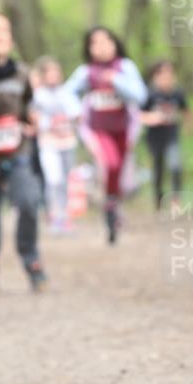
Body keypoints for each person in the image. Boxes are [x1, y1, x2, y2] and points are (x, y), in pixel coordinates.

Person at [0, 12, 47, 292]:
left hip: (17, 153)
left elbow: (28, 106)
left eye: (3, 30)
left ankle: (32, 262)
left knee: (28, 203)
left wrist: (30, 119)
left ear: (11, 40)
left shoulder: (23, 73)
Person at [65, 26, 147, 244]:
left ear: (114, 44)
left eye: (106, 41)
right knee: (110, 163)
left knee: (119, 172)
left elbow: (140, 96)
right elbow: (67, 92)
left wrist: (116, 80)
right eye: (95, 43)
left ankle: (112, 206)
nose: (101, 47)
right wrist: (75, 111)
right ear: (89, 48)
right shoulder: (86, 71)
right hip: (98, 129)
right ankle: (109, 206)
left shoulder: (125, 67)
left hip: (123, 129)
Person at [32, 56, 81, 232]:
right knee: (53, 180)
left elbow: (77, 115)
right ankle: (54, 215)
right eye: (49, 72)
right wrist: (49, 124)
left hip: (67, 142)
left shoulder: (67, 93)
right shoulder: (38, 95)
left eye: (55, 72)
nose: (53, 76)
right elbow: (34, 118)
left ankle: (65, 216)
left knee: (66, 180)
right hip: (48, 143)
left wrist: (69, 122)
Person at [140, 60, 193, 211]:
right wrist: (152, 118)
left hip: (172, 135)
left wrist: (189, 126)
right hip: (154, 137)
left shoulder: (177, 93)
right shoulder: (149, 94)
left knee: (176, 165)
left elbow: (187, 111)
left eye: (170, 73)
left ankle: (176, 200)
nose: (167, 77)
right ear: (156, 76)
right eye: (163, 73)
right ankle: (158, 200)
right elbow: (138, 114)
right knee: (158, 168)